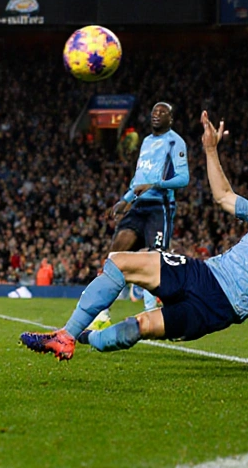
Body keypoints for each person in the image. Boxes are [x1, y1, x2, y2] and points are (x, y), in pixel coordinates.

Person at [21, 111, 248, 365]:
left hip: (217, 308)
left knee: (139, 327)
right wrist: (210, 150)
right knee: (120, 261)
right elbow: (224, 197)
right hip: (202, 273)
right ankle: (65, 336)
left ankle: (85, 339)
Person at [92, 102, 189, 328]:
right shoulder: (146, 141)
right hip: (138, 206)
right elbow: (138, 180)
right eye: (154, 112)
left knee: (154, 260)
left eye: (162, 113)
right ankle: (102, 314)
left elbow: (184, 179)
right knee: (115, 254)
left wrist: (156, 184)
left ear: (170, 119)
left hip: (159, 207)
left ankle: (152, 313)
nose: (157, 116)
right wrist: (124, 200)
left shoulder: (175, 142)